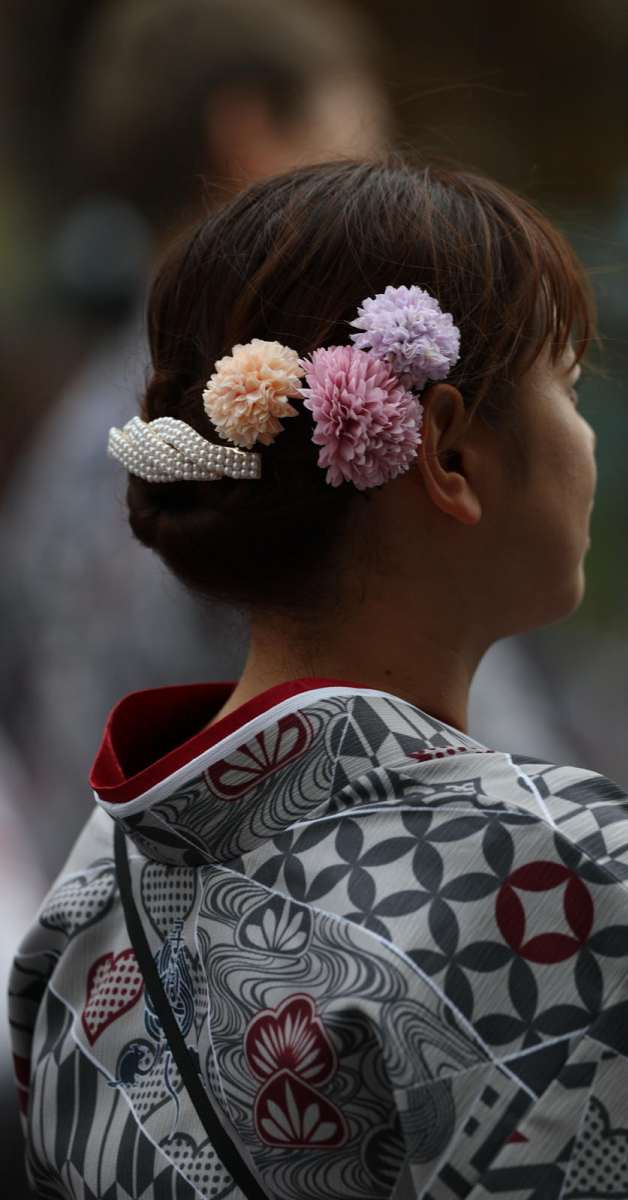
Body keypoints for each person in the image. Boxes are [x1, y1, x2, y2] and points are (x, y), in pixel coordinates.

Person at [10, 159, 628, 1199]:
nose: (589, 434)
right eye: (568, 385)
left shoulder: (86, 897)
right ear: (448, 455)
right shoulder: (542, 889)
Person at [0, 0, 388, 877]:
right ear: (250, 133)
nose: (385, 184)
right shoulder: (286, 430)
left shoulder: (84, 429)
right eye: (361, 135)